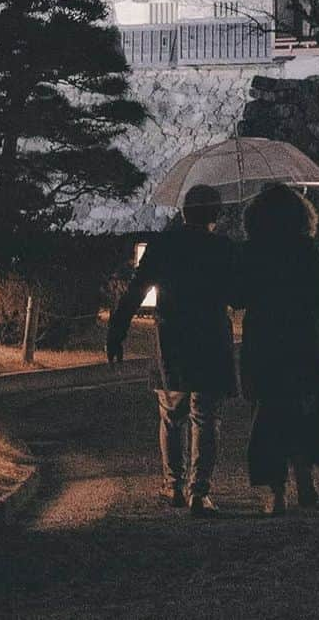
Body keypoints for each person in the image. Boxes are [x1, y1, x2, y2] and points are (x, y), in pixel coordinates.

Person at [107, 183, 237, 518]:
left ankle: (173, 485)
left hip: (172, 338)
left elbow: (137, 289)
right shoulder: (223, 248)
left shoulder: (163, 245)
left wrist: (117, 330)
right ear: (215, 213)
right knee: (206, 417)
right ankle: (200, 492)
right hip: (211, 338)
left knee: (171, 414)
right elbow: (238, 297)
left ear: (183, 211)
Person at [239, 182, 319, 516]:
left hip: (265, 339)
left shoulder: (253, 250)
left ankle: (277, 492)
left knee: (270, 412)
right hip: (302, 338)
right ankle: (305, 481)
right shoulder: (306, 249)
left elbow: (240, 296)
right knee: (303, 409)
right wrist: (317, 331)